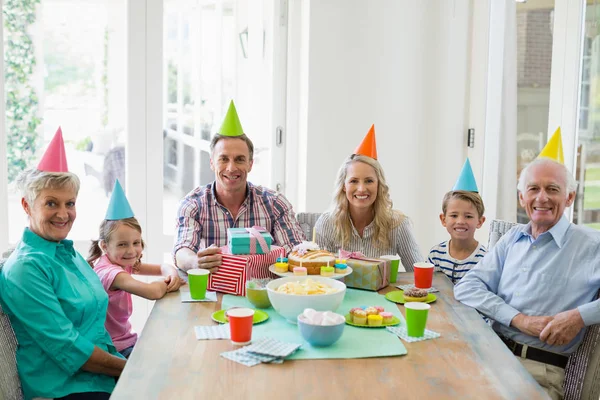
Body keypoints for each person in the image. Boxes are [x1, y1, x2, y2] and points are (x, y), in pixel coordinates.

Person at [454, 156, 600, 400]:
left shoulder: (591, 244)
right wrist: (518, 319)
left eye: (552, 189)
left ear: (569, 198)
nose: (541, 197)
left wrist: (578, 317)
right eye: (533, 189)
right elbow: (467, 287)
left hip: (538, 371)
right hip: (487, 355)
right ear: (522, 198)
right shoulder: (512, 238)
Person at [0, 128, 125, 400]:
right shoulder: (25, 269)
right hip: (67, 388)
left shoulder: (69, 253)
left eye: (69, 203)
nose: (63, 213)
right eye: (51, 203)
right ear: (26, 205)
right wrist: (130, 369)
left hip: (102, 375)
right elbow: (69, 347)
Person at [174, 100, 305, 273]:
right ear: (212, 163)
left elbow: (295, 251)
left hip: (261, 291)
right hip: (213, 292)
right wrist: (195, 262)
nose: (231, 167)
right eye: (224, 159)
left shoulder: (275, 203)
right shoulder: (193, 204)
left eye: (239, 159)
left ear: (250, 164)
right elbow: (182, 250)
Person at [88, 180, 182, 359]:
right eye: (122, 244)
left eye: (136, 243)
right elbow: (152, 292)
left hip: (126, 340)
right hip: (113, 348)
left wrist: (171, 273)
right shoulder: (111, 273)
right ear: (105, 246)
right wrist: (169, 283)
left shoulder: (120, 262)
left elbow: (163, 267)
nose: (131, 251)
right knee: (169, 358)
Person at [315, 125, 423, 270]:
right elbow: (319, 275)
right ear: (344, 186)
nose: (361, 189)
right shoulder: (327, 223)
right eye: (354, 181)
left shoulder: (397, 224)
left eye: (369, 181)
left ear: (379, 185)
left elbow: (417, 271)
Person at [427, 160, 486, 284]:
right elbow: (429, 289)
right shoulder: (436, 255)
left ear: (480, 221)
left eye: (468, 216)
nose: (460, 221)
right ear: (443, 219)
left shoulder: (485, 259)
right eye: (454, 215)